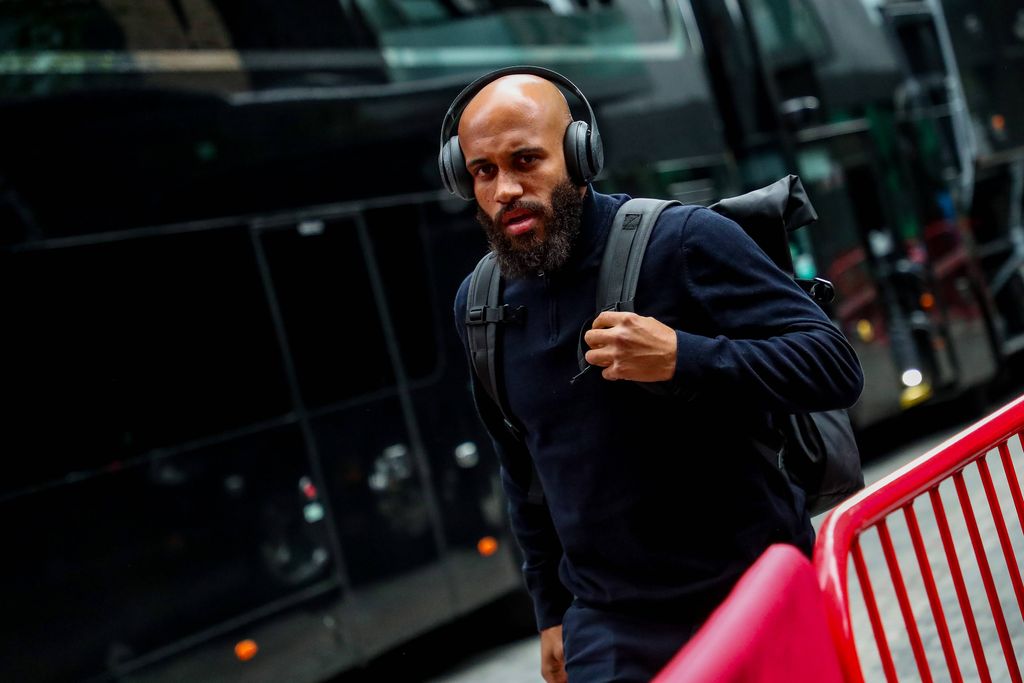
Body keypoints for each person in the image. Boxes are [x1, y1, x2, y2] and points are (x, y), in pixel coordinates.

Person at [443, 67, 864, 683]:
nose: (505, 188)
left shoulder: (686, 241)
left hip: (753, 594)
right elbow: (524, 469)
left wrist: (683, 357)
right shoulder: (478, 307)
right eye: (483, 171)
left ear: (581, 155)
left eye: (526, 159)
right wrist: (550, 612)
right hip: (610, 631)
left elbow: (833, 365)